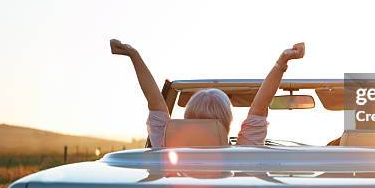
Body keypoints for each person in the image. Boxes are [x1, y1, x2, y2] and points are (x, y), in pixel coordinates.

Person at [110, 39, 305, 147]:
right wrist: (282, 62)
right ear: (227, 123)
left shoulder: (166, 150)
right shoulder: (243, 154)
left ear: (186, 120)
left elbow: (155, 103)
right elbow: (259, 108)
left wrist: (133, 55)